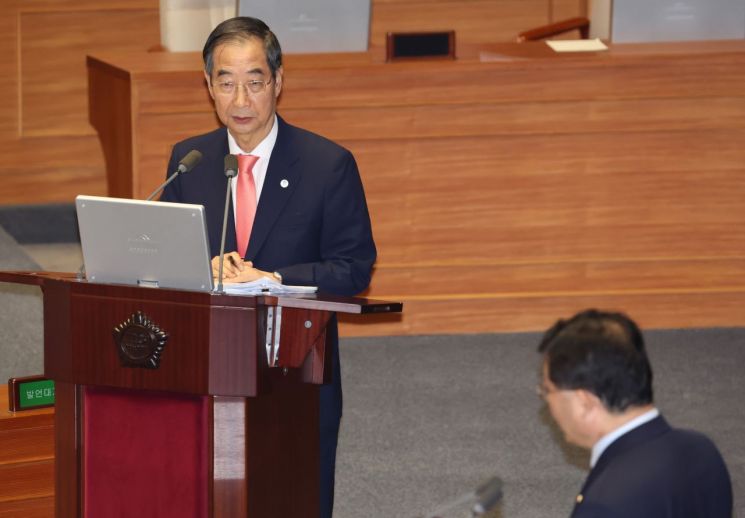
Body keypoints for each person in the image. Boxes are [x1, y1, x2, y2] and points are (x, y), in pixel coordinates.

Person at [160, 16, 376, 517]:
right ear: (208, 86)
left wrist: (272, 279)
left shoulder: (328, 164)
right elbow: (169, 258)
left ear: (278, 82)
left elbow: (354, 268)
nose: (240, 101)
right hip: (208, 367)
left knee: (294, 497)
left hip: (296, 370)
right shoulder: (189, 161)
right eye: (226, 82)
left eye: (254, 82)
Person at [537, 309, 732, 518]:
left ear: (585, 402)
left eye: (548, 390)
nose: (546, 399)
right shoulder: (701, 448)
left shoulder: (605, 505)